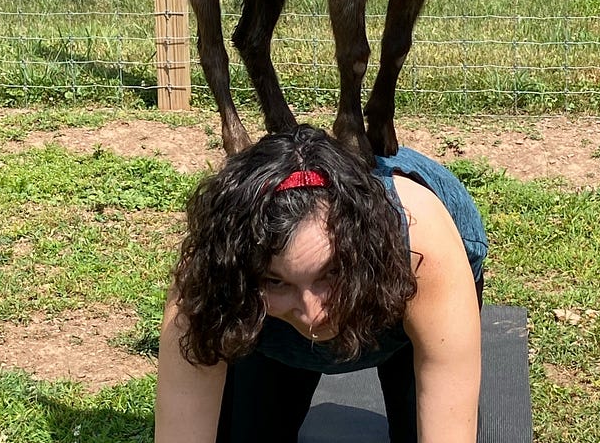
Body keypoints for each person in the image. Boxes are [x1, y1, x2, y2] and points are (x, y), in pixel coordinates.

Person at [155, 125, 488, 443]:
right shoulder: (213, 279)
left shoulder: (420, 249)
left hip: (390, 299)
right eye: (276, 281)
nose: (313, 314)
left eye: (330, 273)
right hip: (267, 321)